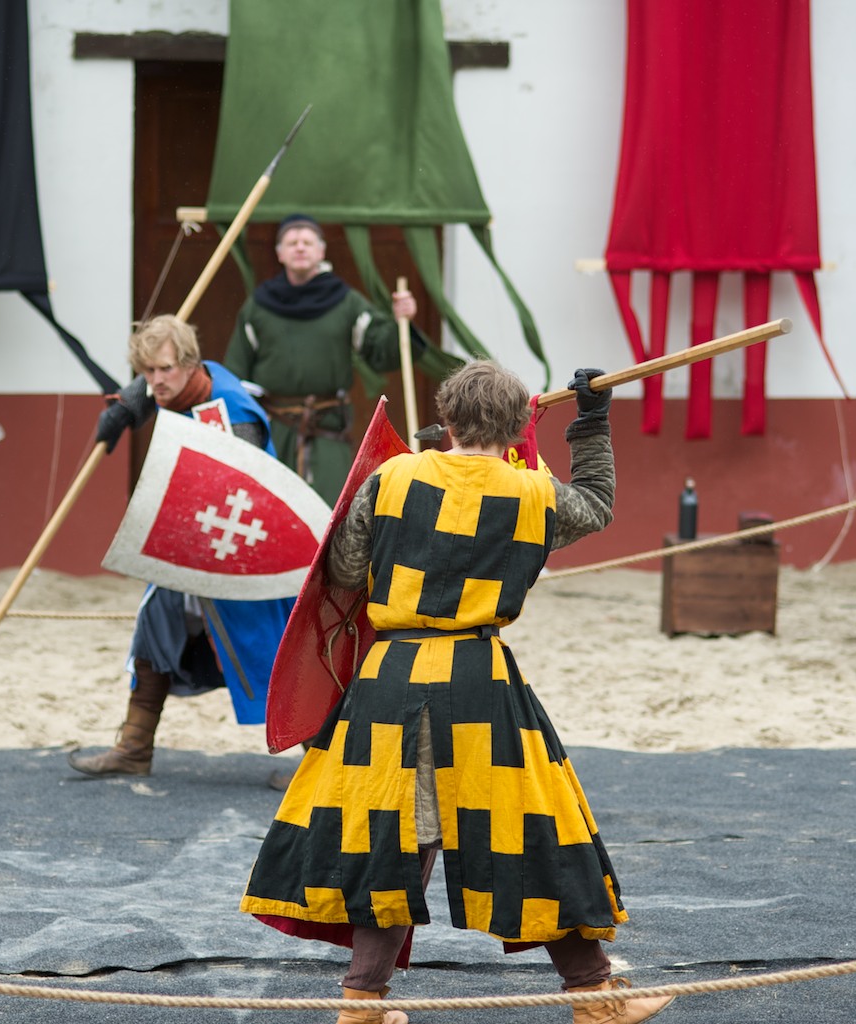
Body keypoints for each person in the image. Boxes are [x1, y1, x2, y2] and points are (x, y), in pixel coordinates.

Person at [240, 362, 674, 1024]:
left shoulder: (392, 478)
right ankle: (594, 1000)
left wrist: (413, 497)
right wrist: (591, 422)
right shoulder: (532, 492)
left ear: (445, 418)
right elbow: (595, 504)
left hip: (391, 678)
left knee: (391, 838)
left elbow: (346, 570)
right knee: (534, 831)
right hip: (478, 681)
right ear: (519, 427)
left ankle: (362, 1006)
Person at [68, 315, 294, 777]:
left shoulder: (228, 415)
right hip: (194, 549)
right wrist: (127, 406)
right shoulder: (188, 379)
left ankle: (322, 760)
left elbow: (241, 493)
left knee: (271, 653)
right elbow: (157, 383)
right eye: (147, 371)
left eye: (164, 369)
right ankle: (134, 749)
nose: (155, 381)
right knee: (155, 623)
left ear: (190, 364)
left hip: (242, 554)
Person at [224, 213, 418, 505]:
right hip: (273, 433)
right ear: (279, 253)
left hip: (327, 432)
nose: (300, 247)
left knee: (329, 510)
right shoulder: (258, 307)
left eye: (307, 242)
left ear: (321, 251)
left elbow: (381, 350)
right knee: (271, 509)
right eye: (292, 242)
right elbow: (235, 376)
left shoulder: (346, 302)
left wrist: (401, 322)